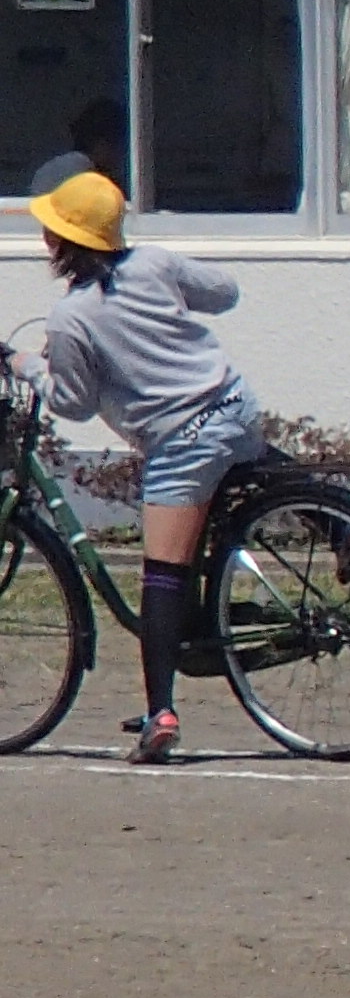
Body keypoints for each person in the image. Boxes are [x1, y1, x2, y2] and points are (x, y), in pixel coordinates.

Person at [22, 170, 271, 766]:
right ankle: (348, 530)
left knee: (162, 575)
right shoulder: (155, 264)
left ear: (63, 243)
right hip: (235, 408)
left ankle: (161, 712)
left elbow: (73, 403)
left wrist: (34, 367)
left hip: (183, 443)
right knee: (249, 463)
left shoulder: (72, 317)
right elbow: (224, 293)